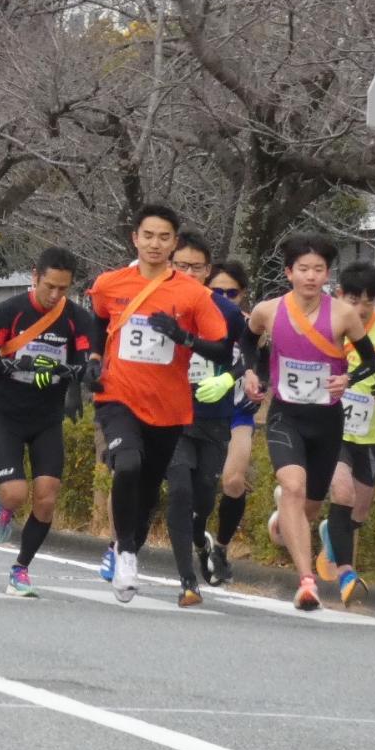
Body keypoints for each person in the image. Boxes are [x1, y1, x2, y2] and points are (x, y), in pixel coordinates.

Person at [86, 204, 233, 606]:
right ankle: (127, 553)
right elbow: (96, 319)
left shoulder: (192, 294)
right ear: (135, 238)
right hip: (117, 395)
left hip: (169, 406)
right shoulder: (109, 283)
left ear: (174, 243)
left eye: (164, 237)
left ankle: (128, 544)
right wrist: (95, 359)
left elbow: (221, 346)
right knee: (127, 464)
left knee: (149, 484)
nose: (155, 243)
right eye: (148, 235)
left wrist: (184, 338)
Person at [240, 234, 375, 610]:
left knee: (308, 508)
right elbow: (247, 343)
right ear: (289, 272)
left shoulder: (343, 314)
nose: (310, 276)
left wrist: (348, 378)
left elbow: (371, 362)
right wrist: (251, 374)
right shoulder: (268, 310)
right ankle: (307, 581)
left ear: (327, 274)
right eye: (303, 269)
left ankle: (284, 520)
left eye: (318, 269)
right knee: (293, 483)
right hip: (286, 415)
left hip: (327, 420)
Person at [0, 247, 96, 597]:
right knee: (16, 493)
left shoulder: (77, 318)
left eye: (63, 288)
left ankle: (21, 569)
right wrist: (17, 365)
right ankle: (4, 507)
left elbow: (84, 361)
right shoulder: (9, 312)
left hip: (47, 418)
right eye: (49, 286)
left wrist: (75, 376)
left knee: (46, 498)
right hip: (9, 414)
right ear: (35, 277)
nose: (55, 295)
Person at [154, 233, 243, 603]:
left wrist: (229, 377)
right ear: (170, 264)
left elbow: (248, 359)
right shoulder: (157, 304)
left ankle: (198, 533)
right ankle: (187, 580)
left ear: (208, 271)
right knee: (180, 491)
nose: (188, 272)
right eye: (181, 265)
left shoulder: (226, 311)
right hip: (170, 415)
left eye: (196, 267)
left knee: (204, 497)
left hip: (214, 417)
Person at [314, 261, 375, 587]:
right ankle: (345, 572)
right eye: (353, 300)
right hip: (331, 424)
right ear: (339, 294)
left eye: (368, 301)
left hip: (371, 431)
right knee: (341, 492)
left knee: (359, 509)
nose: (360, 308)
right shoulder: (325, 324)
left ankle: (334, 530)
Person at [201, 259, 256, 586]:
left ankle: (220, 548)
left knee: (233, 482)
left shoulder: (251, 327)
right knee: (197, 487)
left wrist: (256, 382)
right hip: (198, 412)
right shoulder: (195, 319)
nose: (223, 297)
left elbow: (261, 365)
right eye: (216, 291)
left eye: (231, 293)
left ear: (242, 295)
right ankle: (198, 539)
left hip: (237, 412)